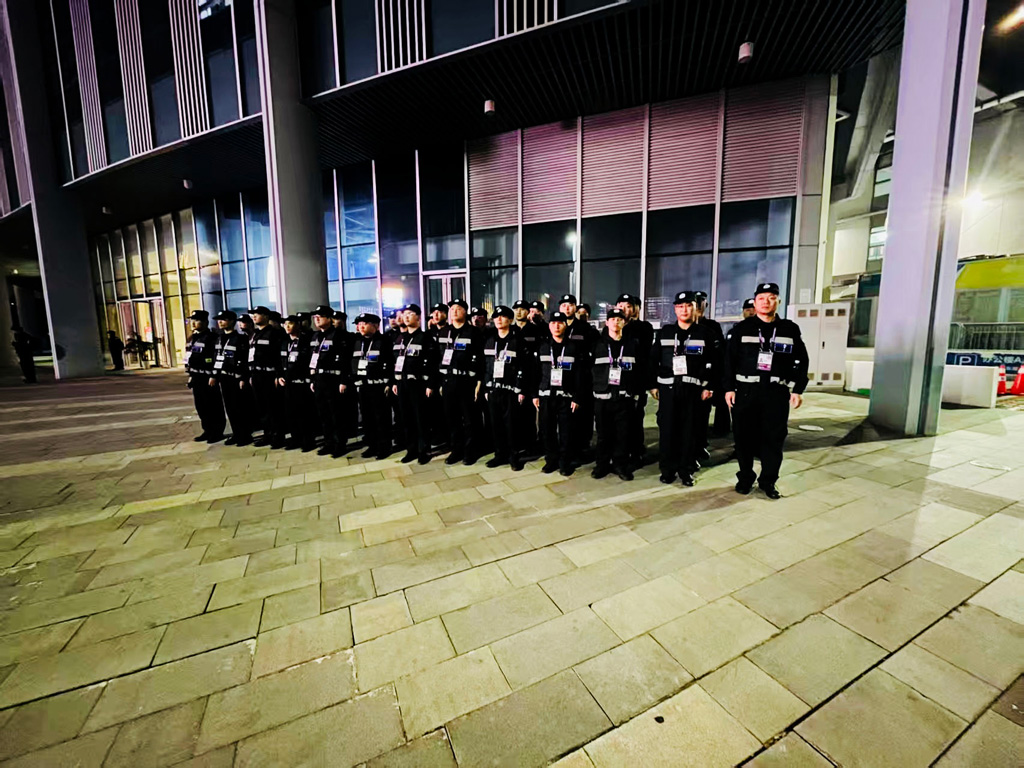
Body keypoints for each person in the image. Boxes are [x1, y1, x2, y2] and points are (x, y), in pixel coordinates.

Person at [724, 282, 809, 499]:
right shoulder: (741, 329)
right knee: (743, 438)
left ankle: (768, 481)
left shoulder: (789, 329)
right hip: (746, 391)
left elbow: (802, 360)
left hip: (776, 393)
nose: (766, 302)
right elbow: (728, 361)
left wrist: (798, 389)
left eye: (771, 298)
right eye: (761, 298)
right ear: (755, 302)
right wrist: (728, 388)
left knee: (774, 439)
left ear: (778, 301)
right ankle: (745, 478)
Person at [650, 292, 716, 486]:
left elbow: (715, 362)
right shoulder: (665, 332)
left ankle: (686, 470)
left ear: (695, 308)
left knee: (689, 432)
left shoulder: (705, 333)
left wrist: (710, 386)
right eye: (680, 306)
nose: (684, 310)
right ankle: (667, 470)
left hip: (693, 390)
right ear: (675, 309)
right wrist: (652, 385)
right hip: (668, 389)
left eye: (688, 306)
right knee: (667, 430)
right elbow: (653, 359)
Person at [592, 308, 642, 481]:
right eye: (612, 319)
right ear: (607, 323)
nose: (615, 322)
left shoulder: (632, 345)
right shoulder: (597, 344)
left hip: (624, 398)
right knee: (603, 434)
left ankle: (620, 465)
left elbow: (639, 370)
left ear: (624, 323)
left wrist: (635, 393)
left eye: (619, 319)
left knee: (623, 434)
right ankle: (602, 464)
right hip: (602, 398)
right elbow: (589, 370)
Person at [535, 311, 587, 476]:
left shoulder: (573, 347)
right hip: (546, 395)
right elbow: (535, 372)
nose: (556, 326)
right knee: (547, 430)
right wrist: (535, 394)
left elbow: (580, 374)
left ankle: (565, 462)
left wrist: (577, 397)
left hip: (566, 397)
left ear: (565, 325)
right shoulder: (543, 346)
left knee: (566, 431)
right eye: (553, 323)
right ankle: (551, 460)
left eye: (560, 323)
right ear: (549, 326)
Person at [483, 306, 530, 471]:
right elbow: (486, 366)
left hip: (511, 391)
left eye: (503, 317)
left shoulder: (517, 341)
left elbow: (524, 366)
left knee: (511, 425)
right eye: (496, 317)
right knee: (495, 424)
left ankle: (513, 456)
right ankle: (499, 454)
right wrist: (486, 387)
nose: (499, 320)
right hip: (494, 390)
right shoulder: (490, 340)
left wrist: (521, 389)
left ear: (510, 320)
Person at [438, 299, 484, 465]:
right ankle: (456, 450)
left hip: (467, 381)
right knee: (452, 418)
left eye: (458, 308)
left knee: (470, 418)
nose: (454, 311)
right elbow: (438, 357)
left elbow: (481, 359)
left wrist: (479, 382)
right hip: (448, 380)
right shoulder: (444, 332)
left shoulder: (474, 332)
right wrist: (440, 382)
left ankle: (471, 451)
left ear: (465, 312)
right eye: (452, 309)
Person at [392, 304, 439, 464]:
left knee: (421, 418)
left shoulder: (425, 338)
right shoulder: (400, 338)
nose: (406, 317)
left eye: (410, 314)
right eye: (404, 314)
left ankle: (423, 450)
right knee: (406, 418)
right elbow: (395, 361)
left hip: (419, 384)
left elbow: (433, 363)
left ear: (418, 317)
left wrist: (430, 385)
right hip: (402, 383)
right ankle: (411, 450)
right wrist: (395, 381)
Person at [558, 294, 597, 461]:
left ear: (575, 307)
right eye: (564, 305)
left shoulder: (585, 329)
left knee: (582, 415)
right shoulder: (555, 326)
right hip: (560, 378)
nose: (567, 308)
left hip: (581, 378)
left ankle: (582, 448)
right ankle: (565, 449)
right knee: (563, 417)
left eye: (570, 305)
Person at [617, 293, 654, 467]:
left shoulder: (643, 328)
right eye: (621, 306)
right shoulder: (612, 326)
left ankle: (636, 451)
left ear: (634, 309)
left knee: (635, 418)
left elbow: (646, 356)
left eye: (628, 306)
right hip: (617, 381)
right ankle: (620, 451)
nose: (624, 309)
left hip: (636, 381)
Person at [309, 306, 349, 457]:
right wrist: (313, 379)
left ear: (329, 318)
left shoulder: (338, 335)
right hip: (319, 379)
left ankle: (340, 444)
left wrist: (343, 380)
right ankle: (328, 443)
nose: (317, 319)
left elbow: (345, 360)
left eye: (320, 316)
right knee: (323, 414)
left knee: (336, 414)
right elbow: (313, 359)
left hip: (334, 379)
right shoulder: (316, 336)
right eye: (315, 317)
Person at [351, 313, 392, 459]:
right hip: (363, 385)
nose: (361, 326)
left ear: (375, 325)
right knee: (367, 418)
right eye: (359, 324)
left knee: (381, 418)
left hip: (379, 386)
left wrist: (389, 382)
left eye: (365, 323)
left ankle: (384, 446)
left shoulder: (384, 341)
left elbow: (391, 362)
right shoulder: (358, 341)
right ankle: (372, 445)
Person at [210, 310, 252, 446]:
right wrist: (214, 375)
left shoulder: (240, 338)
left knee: (240, 407)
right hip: (224, 377)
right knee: (230, 408)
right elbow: (217, 358)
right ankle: (236, 433)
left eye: (223, 319)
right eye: (219, 319)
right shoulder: (219, 338)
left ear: (232, 321)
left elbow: (245, 359)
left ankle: (245, 435)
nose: (220, 322)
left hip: (236, 378)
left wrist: (243, 378)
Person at [248, 306, 287, 448]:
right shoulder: (255, 334)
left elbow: (278, 356)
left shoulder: (274, 333)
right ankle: (267, 434)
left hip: (269, 375)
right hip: (257, 374)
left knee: (273, 407)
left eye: (257, 314)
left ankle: (278, 436)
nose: (254, 316)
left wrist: (279, 374)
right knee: (262, 407)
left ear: (266, 316)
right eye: (253, 314)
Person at [277, 315, 317, 451]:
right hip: (288, 384)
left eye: (290, 323)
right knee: (291, 413)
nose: (287, 326)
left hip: (302, 384)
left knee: (304, 414)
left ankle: (308, 441)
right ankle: (296, 439)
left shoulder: (306, 341)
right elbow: (279, 361)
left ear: (298, 325)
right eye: (285, 324)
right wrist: (279, 376)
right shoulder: (284, 342)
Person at [694, 290, 729, 444]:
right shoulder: (681, 327)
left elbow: (719, 352)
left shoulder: (712, 326)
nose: (698, 306)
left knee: (710, 406)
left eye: (701, 302)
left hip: (709, 373)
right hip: (690, 374)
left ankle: (716, 431)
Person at [185, 310, 225, 443]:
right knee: (201, 406)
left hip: (208, 377)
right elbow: (189, 357)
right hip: (196, 377)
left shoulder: (213, 337)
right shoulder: (192, 338)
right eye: (192, 320)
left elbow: (217, 357)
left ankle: (217, 431)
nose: (193, 323)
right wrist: (190, 375)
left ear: (205, 322)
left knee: (213, 405)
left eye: (197, 320)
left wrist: (214, 375)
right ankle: (207, 430)